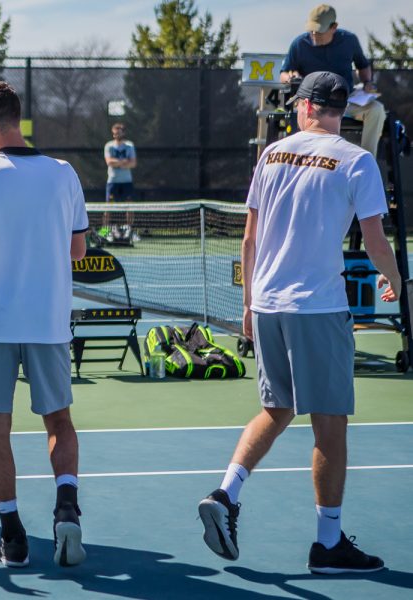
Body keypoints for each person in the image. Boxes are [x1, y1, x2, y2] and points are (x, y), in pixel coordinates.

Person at [197, 71, 402, 574]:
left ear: (307, 107)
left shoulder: (271, 154)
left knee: (277, 407)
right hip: (317, 306)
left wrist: (247, 303)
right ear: (339, 110)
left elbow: (249, 239)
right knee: (330, 425)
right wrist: (400, 282)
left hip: (266, 303)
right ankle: (328, 545)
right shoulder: (357, 160)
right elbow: (376, 242)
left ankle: (226, 494)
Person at [0, 81, 89, 568]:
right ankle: (66, 506)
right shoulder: (64, 173)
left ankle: (13, 537)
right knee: (60, 422)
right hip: (48, 322)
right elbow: (77, 250)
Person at [279, 4, 386, 157]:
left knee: (376, 110)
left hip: (345, 102)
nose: (314, 34)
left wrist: (368, 82)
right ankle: (301, 160)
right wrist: (290, 77)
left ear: (334, 27)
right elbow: (284, 73)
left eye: (319, 30)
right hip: (312, 105)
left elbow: (363, 66)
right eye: (312, 30)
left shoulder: (349, 40)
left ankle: (367, 161)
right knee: (298, 112)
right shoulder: (299, 44)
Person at [102, 122, 137, 240]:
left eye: (119, 133)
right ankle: (105, 231)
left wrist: (117, 163)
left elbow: (133, 163)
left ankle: (129, 230)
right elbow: (109, 162)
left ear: (123, 133)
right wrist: (124, 162)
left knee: (129, 207)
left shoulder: (129, 145)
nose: (116, 135)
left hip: (127, 182)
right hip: (112, 182)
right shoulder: (109, 146)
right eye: (114, 133)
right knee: (108, 208)